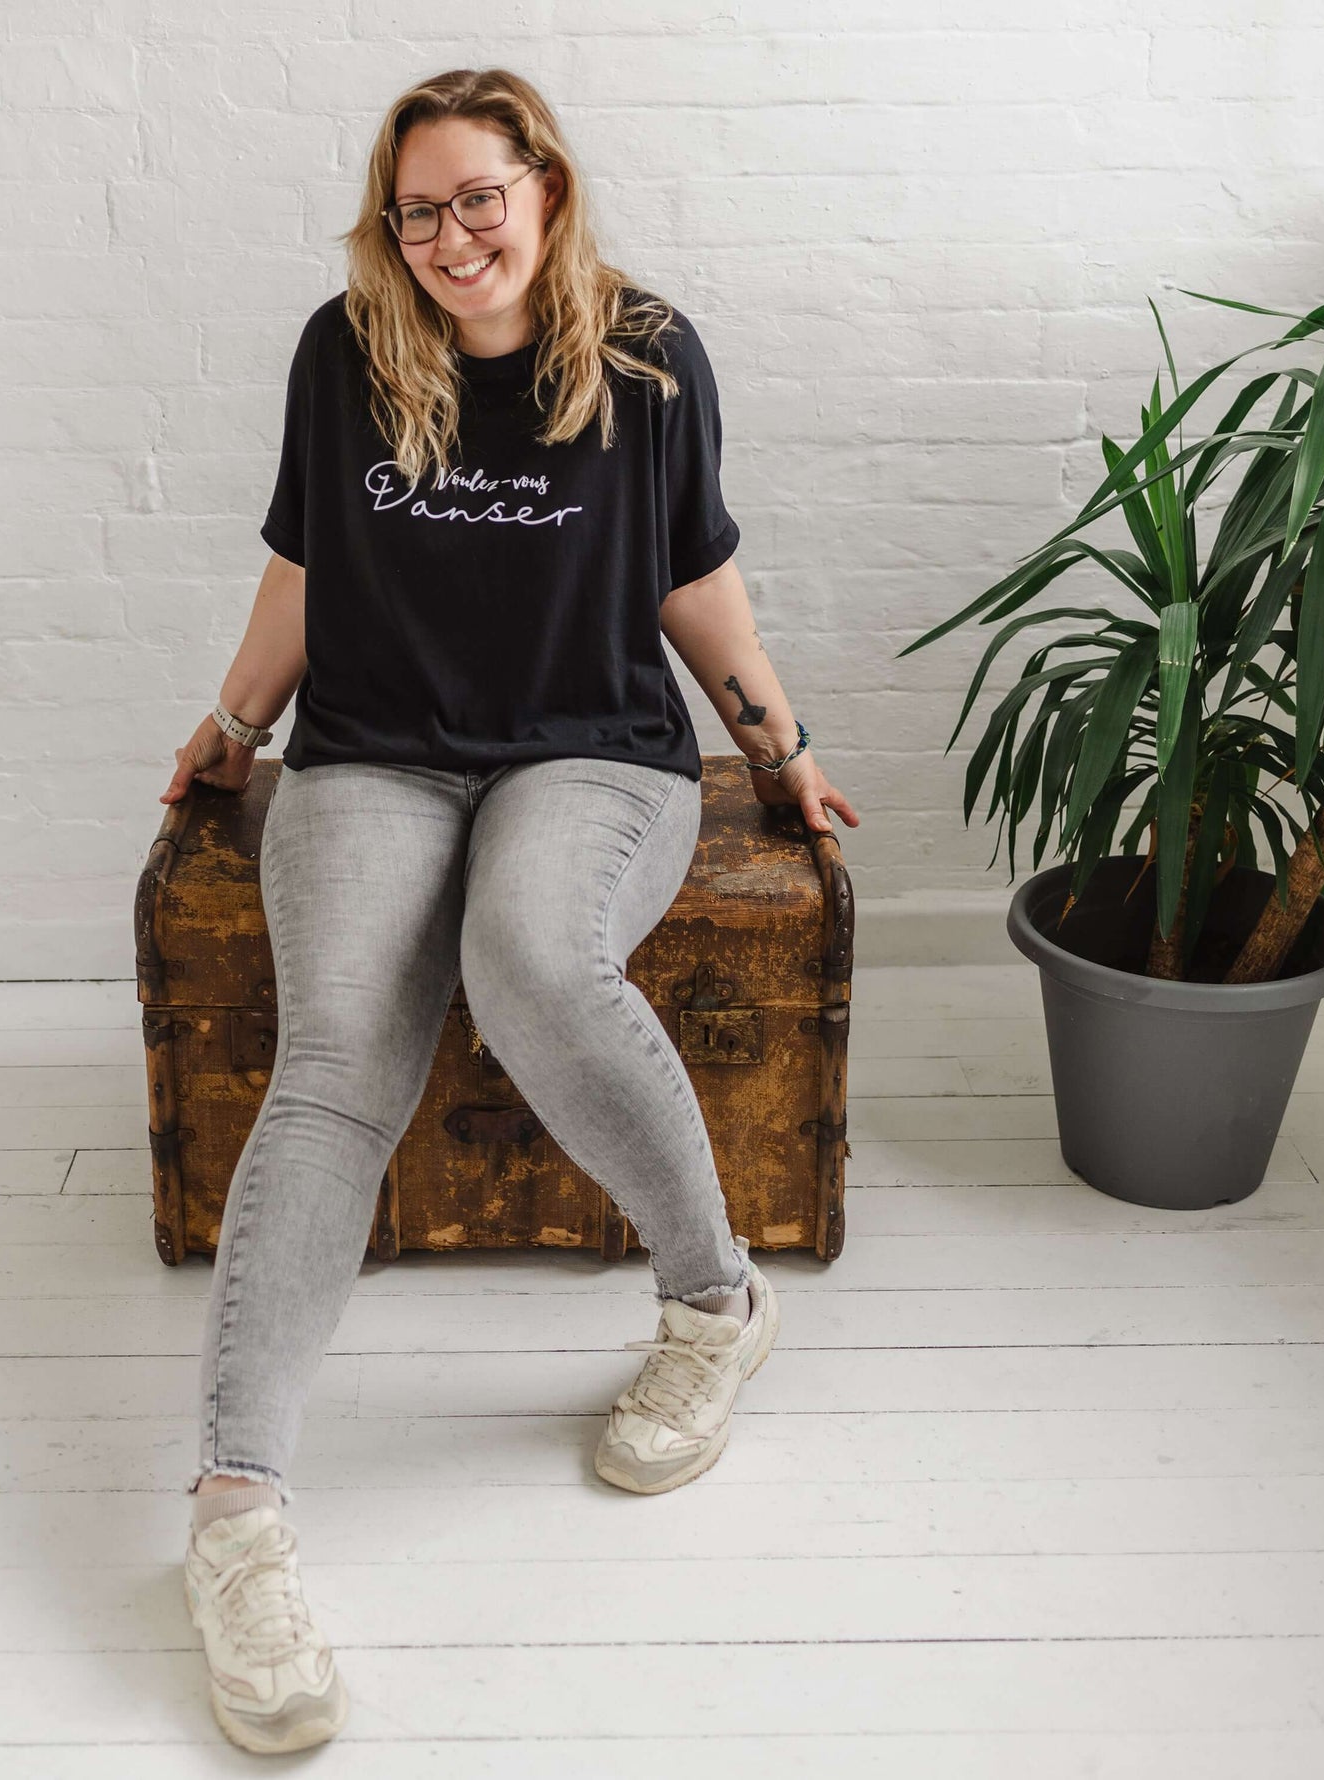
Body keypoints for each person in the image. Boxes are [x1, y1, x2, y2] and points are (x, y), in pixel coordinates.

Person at [161, 67, 860, 1756]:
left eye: (481, 195)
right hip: (373, 760)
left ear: (545, 188)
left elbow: (692, 575)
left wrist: (780, 741)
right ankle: (234, 1516)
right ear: (387, 223)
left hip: (593, 755)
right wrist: (234, 725)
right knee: (334, 1059)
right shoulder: (348, 351)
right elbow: (307, 570)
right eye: (419, 207)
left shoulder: (648, 352)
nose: (451, 234)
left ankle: (715, 1305)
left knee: (530, 955)